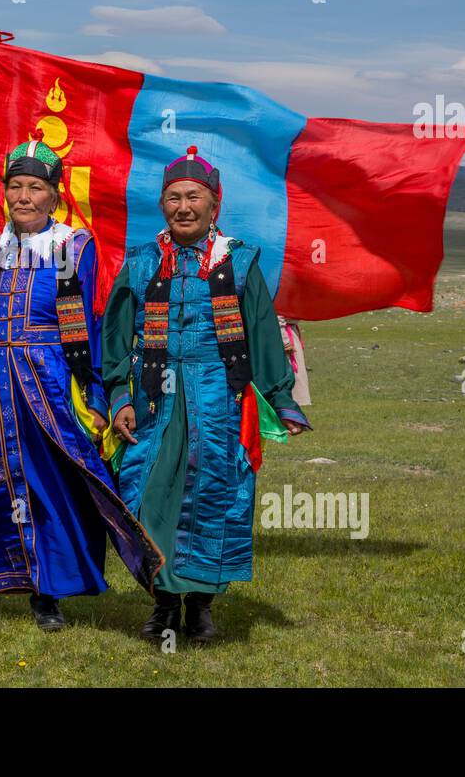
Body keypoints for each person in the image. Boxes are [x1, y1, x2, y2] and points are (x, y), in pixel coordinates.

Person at [0, 139, 162, 634]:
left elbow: (91, 323)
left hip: (49, 389)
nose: (23, 197)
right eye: (15, 186)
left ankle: (47, 594)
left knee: (51, 490)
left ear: (54, 195)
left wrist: (99, 396)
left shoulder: (73, 248)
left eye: (35, 188)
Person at [103, 145, 310, 645]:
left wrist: (281, 398)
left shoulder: (238, 262)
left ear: (214, 204)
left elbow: (261, 333)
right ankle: (161, 601)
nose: (183, 207)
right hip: (154, 401)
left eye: (194, 197)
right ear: (162, 204)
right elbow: (114, 336)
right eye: (173, 197)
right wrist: (118, 397)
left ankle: (198, 608)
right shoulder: (142, 262)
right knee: (146, 493)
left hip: (219, 399)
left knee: (212, 497)